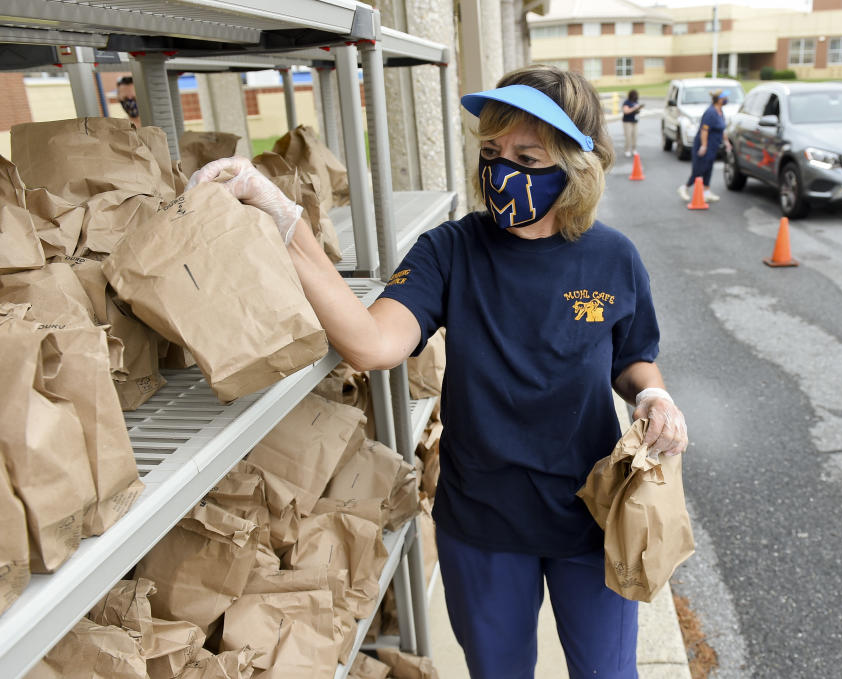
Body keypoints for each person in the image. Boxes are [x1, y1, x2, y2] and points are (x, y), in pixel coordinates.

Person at [188, 64, 688, 679]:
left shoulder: (614, 257)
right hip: (482, 520)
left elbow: (632, 357)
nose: (502, 169)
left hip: (591, 514)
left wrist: (655, 396)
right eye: (491, 151)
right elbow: (373, 343)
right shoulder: (449, 250)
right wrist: (285, 219)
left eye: (527, 157)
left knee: (609, 674)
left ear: (576, 167)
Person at [678, 89, 732, 203]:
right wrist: (703, 146)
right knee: (699, 169)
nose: (726, 100)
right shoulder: (710, 112)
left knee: (708, 168)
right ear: (718, 100)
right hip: (704, 145)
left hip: (713, 146)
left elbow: (723, 129)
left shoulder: (720, 111)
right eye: (724, 98)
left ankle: (706, 191)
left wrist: (726, 142)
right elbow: (704, 130)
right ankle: (685, 187)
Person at [621, 89, 643, 157]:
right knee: (628, 136)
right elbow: (626, 111)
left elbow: (636, 110)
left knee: (635, 136)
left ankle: (634, 149)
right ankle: (627, 150)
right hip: (627, 122)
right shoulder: (626, 102)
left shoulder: (636, 101)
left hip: (635, 121)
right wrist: (634, 108)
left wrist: (639, 109)